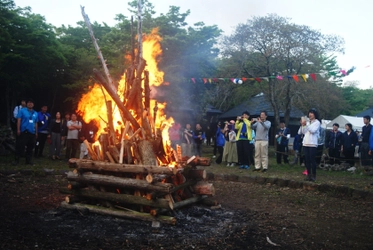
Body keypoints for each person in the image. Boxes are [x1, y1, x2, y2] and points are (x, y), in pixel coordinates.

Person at [13, 99, 38, 165]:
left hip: (32, 132)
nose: (30, 104)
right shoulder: (22, 111)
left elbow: (36, 123)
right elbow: (19, 120)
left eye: (31, 103)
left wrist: (36, 132)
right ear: (27, 104)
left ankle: (28, 160)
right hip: (24, 131)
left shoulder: (35, 113)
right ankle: (16, 160)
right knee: (20, 146)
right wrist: (18, 129)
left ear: (33, 104)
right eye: (29, 102)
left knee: (30, 147)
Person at [298, 108, 320, 182]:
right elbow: (302, 132)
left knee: (312, 160)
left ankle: (314, 175)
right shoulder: (308, 122)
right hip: (305, 143)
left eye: (312, 113)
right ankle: (308, 174)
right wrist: (302, 125)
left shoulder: (317, 122)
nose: (310, 114)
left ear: (315, 114)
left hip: (312, 143)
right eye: (309, 113)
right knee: (307, 160)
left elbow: (313, 131)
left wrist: (306, 124)